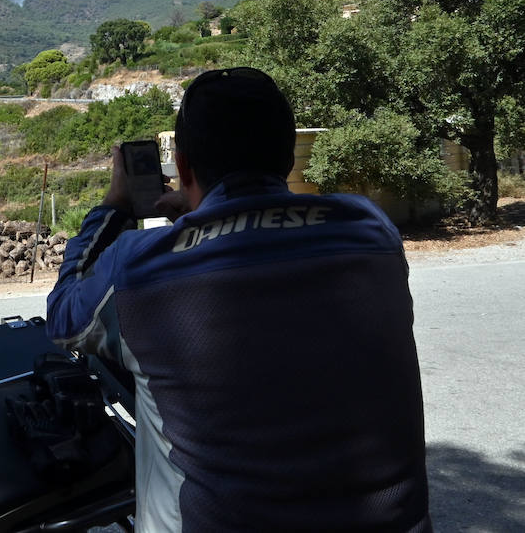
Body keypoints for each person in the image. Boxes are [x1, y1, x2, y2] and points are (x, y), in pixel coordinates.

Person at [46, 67, 430, 531]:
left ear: (183, 168)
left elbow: (64, 318)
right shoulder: (370, 230)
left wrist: (115, 207)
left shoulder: (139, 266)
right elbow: (269, 255)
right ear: (287, 157)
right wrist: (203, 220)